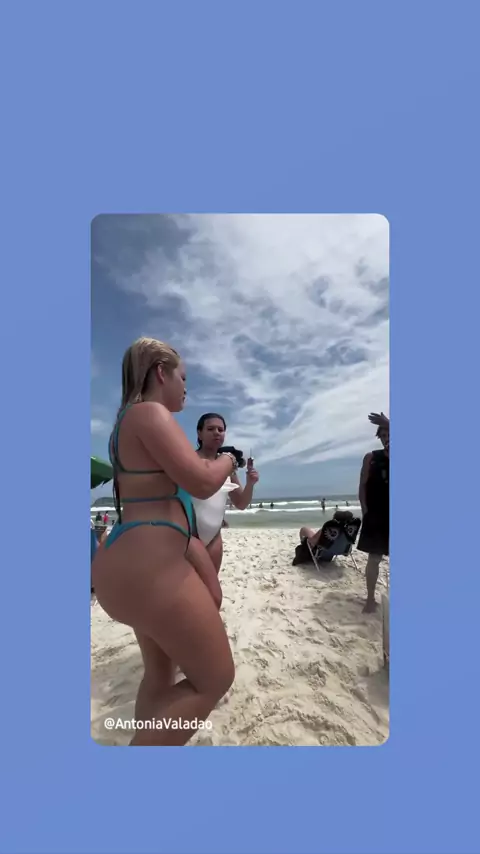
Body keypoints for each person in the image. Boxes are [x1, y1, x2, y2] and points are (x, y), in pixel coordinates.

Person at [91, 338, 238, 746]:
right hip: (150, 570)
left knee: (160, 674)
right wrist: (229, 460)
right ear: (160, 372)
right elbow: (202, 482)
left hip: (127, 563)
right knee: (215, 679)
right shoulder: (149, 413)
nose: (186, 387)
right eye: (183, 377)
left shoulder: (125, 422)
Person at [192, 413, 259, 573]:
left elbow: (241, 503)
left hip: (214, 536)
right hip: (189, 535)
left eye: (220, 430)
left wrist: (250, 483)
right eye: (210, 429)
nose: (217, 433)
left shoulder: (227, 467)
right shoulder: (190, 459)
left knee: (211, 583)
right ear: (199, 433)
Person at [357, 415, 389, 612]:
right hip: (377, 514)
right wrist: (365, 510)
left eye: (390, 434)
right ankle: (370, 598)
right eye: (383, 435)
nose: (387, 438)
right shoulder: (371, 458)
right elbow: (362, 485)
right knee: (374, 558)